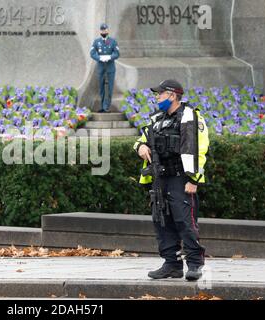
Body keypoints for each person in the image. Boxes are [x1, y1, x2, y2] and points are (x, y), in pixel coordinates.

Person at [133, 79, 210, 281]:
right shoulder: (156, 119)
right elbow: (142, 140)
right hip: (160, 178)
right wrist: (140, 147)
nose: (157, 98)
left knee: (185, 222)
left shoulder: (190, 116)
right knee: (162, 221)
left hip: (181, 178)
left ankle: (194, 264)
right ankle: (172, 264)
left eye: (160, 94)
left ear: (172, 95)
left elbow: (200, 149)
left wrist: (194, 179)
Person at [90, 23, 120, 113]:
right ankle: (103, 106)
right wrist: (99, 58)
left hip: (110, 67)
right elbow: (92, 53)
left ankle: (107, 106)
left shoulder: (113, 41)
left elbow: (117, 53)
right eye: (102, 30)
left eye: (105, 30)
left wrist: (110, 57)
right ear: (100, 31)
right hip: (100, 67)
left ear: (108, 31)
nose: (104, 31)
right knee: (101, 87)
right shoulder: (96, 42)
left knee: (109, 88)